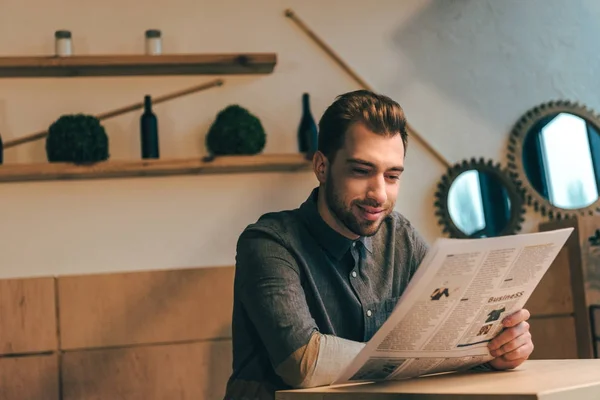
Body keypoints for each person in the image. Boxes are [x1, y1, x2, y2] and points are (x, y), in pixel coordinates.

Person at [223, 90, 534, 400]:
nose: (379, 194)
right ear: (321, 166)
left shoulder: (401, 237)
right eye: (361, 171)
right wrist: (431, 357)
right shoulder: (267, 242)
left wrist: (497, 348)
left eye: (392, 176)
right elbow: (305, 362)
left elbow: (451, 338)